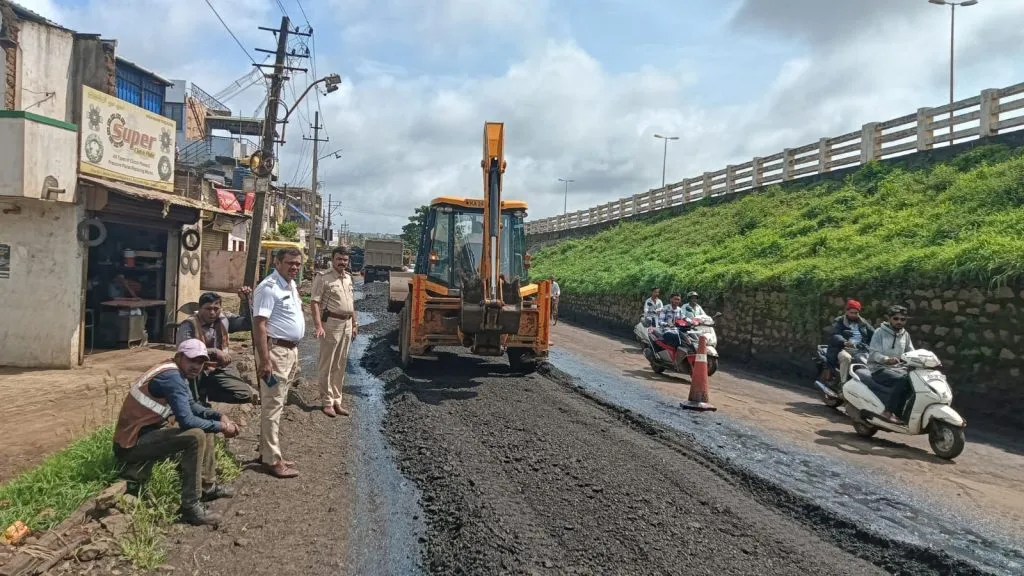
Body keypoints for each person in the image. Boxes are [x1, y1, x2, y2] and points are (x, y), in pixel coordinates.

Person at [112, 339, 240, 526]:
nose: (197, 366)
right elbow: (187, 420)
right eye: (192, 360)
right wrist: (223, 427)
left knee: (207, 426)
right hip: (131, 445)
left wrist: (218, 416)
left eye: (201, 362)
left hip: (149, 433)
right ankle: (190, 506)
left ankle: (207, 486)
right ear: (179, 357)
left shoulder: (175, 371)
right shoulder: (172, 377)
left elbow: (191, 406)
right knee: (195, 436)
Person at [252, 248, 306, 479]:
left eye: (297, 264)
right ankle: (272, 460)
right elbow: (259, 324)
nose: (294, 267)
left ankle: (267, 451)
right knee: (273, 404)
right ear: (277, 262)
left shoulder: (290, 285)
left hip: (289, 351)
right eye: (290, 263)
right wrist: (265, 360)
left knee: (277, 403)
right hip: (275, 353)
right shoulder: (268, 287)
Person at [176, 289, 256, 405]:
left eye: (216, 309)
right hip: (196, 369)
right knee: (192, 403)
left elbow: (248, 324)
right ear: (200, 308)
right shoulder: (189, 324)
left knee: (244, 394)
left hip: (219, 369)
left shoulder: (224, 319)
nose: (212, 313)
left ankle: (207, 393)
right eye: (208, 309)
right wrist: (215, 352)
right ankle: (196, 400)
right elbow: (183, 351)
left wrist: (246, 301)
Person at [310, 246, 357, 418]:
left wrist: (354, 324)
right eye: (339, 259)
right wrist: (318, 326)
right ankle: (327, 402)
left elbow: (351, 304)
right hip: (331, 324)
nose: (342, 263)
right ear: (333, 259)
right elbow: (315, 303)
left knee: (340, 364)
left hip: (347, 324)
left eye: (345, 260)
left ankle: (337, 400)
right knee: (327, 364)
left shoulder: (348, 278)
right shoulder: (323, 278)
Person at [867, 305, 915, 424]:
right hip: (879, 369)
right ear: (889, 318)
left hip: (899, 369)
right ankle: (888, 412)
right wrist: (886, 359)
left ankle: (902, 414)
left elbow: (912, 352)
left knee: (915, 380)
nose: (899, 321)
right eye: (896, 318)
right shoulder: (879, 332)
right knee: (903, 380)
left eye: (903, 319)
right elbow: (873, 353)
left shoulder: (905, 335)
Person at [827, 299, 875, 384]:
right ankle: (843, 384)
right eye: (851, 312)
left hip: (860, 350)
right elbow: (835, 334)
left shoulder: (863, 322)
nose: (853, 315)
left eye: (856, 313)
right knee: (846, 358)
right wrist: (844, 342)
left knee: (872, 361)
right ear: (846, 311)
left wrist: (882, 333)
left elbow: (874, 333)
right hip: (842, 349)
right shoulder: (839, 321)